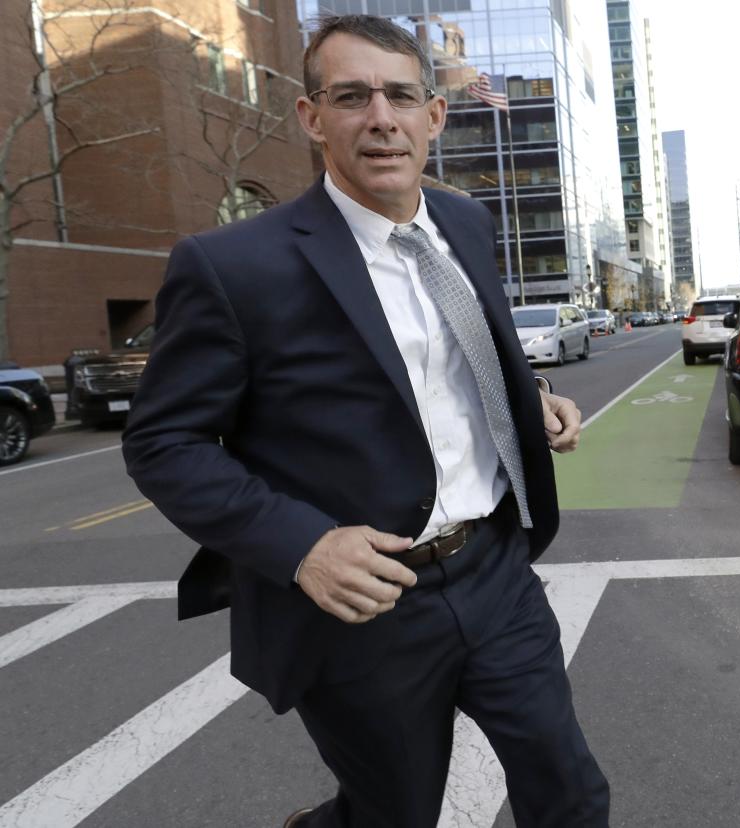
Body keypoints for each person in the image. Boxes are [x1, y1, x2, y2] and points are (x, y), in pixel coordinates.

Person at [122, 14, 609, 828]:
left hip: (493, 570)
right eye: (352, 96)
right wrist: (303, 546)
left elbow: (461, 349)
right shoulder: (234, 266)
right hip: (365, 608)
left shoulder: (465, 224)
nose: (380, 117)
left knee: (570, 792)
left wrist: (531, 397)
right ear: (314, 118)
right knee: (393, 816)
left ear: (434, 116)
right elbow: (162, 443)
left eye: (400, 96)